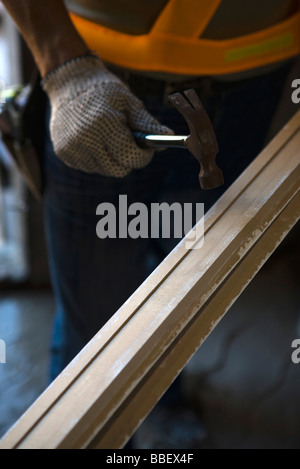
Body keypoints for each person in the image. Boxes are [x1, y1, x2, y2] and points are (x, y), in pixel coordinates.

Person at [2, 0, 299, 421]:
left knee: (182, 284)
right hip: (98, 84)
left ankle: (162, 402)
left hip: (253, 82)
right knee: (97, 320)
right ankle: (89, 423)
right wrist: (65, 68)